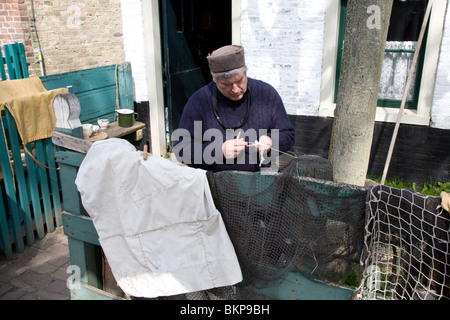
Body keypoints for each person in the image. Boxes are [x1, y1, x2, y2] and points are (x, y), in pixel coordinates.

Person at [173, 45, 295, 172]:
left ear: (245, 73)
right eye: (227, 85)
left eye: (239, 81)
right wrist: (219, 151)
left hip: (262, 181)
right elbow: (182, 150)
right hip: (214, 185)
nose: (236, 89)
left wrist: (271, 141)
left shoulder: (266, 94)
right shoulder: (199, 101)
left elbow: (288, 135)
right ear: (214, 79)